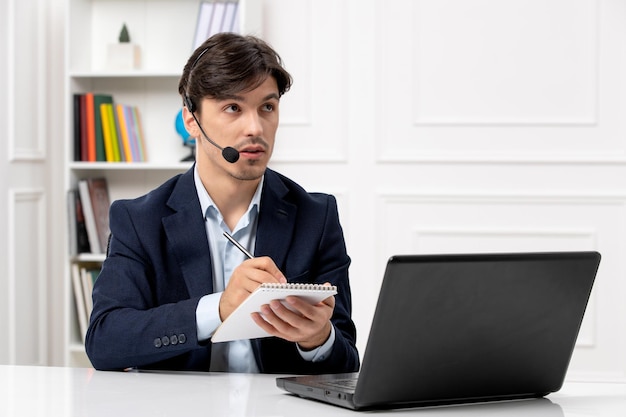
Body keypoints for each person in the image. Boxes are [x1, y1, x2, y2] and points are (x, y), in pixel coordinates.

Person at [85, 33, 360, 374]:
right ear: (191, 120)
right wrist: (218, 309)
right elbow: (105, 341)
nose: (255, 127)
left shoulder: (316, 217)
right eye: (233, 108)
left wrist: (317, 339)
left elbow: (347, 358)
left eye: (267, 107)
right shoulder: (139, 219)